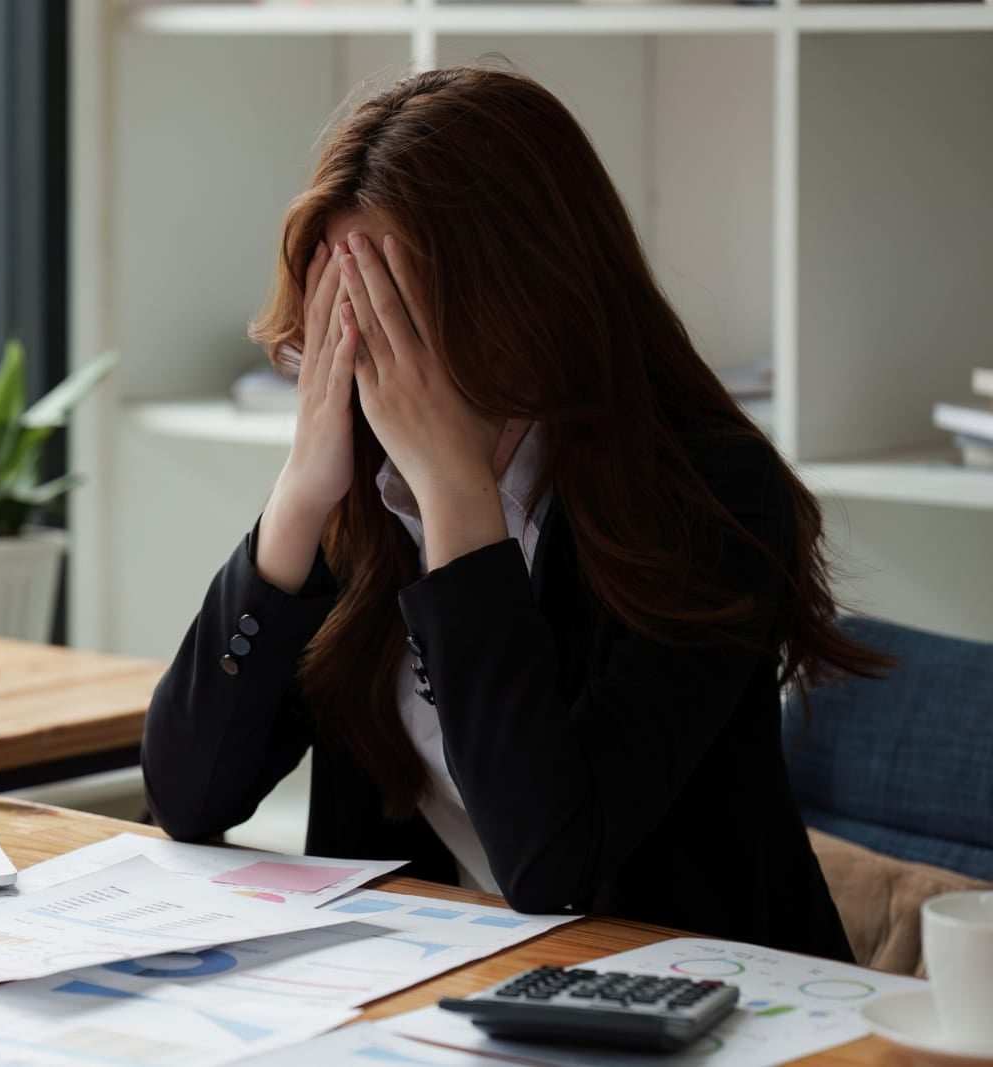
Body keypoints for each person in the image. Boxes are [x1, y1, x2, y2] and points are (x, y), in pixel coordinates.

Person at [141, 65, 884, 961]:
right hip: (423, 993)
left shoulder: (709, 497)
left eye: (394, 309)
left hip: (691, 1000)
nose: (367, 350)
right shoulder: (365, 493)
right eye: (345, 309)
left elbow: (551, 862)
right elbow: (187, 797)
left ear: (528, 296)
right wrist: (300, 494)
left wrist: (460, 503)